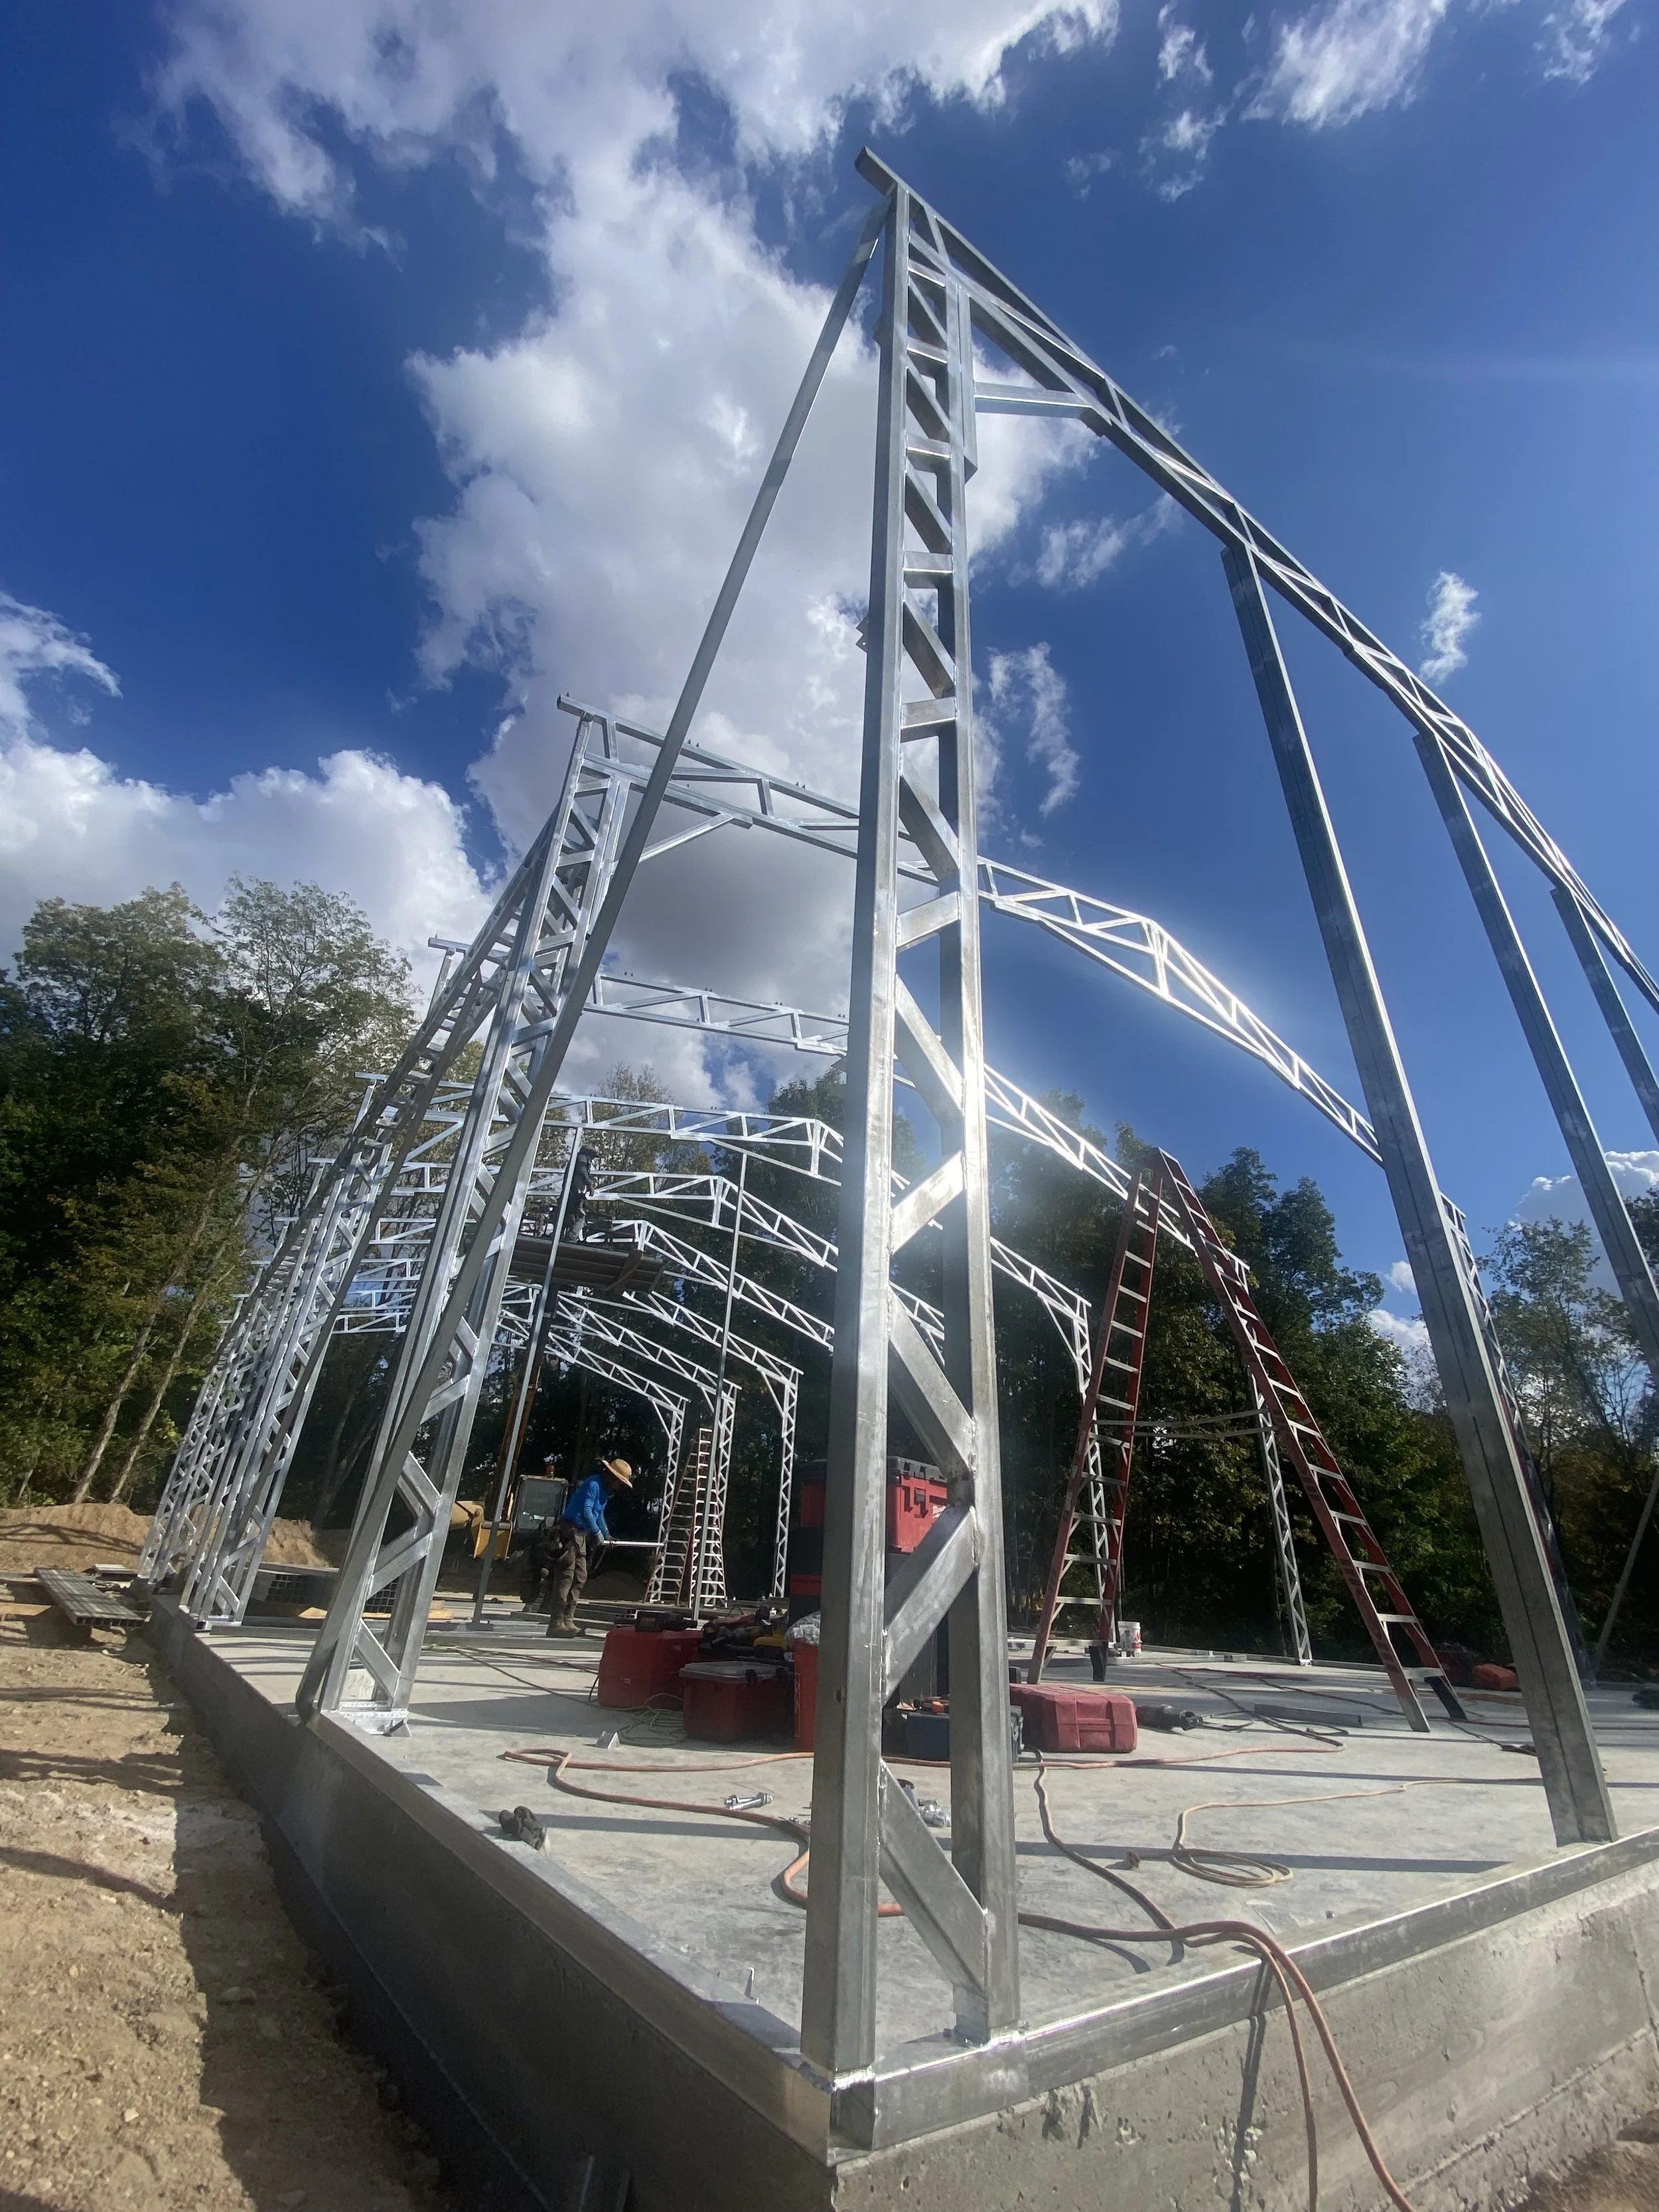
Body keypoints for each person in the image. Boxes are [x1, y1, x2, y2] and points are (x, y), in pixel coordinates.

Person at [546, 1455, 632, 1636]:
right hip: (570, 1532)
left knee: (580, 1576)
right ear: (612, 1476)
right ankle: (556, 1623)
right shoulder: (594, 1484)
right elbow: (586, 1510)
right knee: (567, 1575)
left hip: (581, 1535)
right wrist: (596, 1532)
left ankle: (568, 1620)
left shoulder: (605, 1492)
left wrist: (606, 1534)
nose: (619, 1486)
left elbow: (598, 1514)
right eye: (619, 1482)